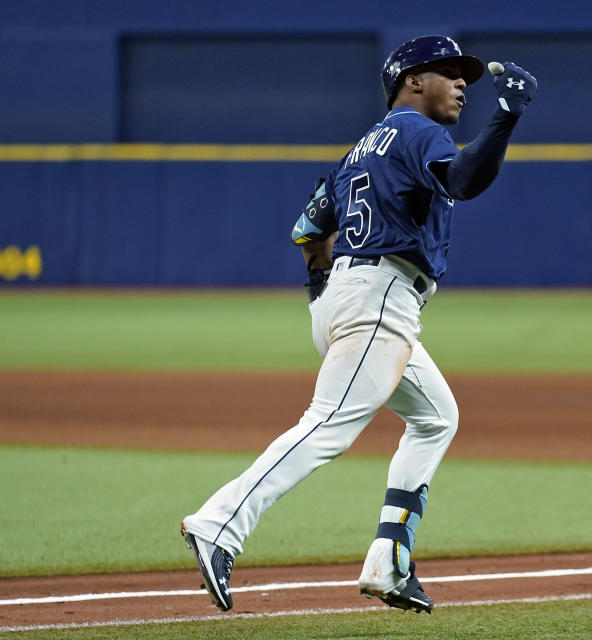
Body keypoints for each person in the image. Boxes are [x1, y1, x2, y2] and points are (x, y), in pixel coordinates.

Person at [180, 35, 537, 614]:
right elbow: (464, 181)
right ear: (411, 81)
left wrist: (328, 292)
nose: (462, 82)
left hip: (353, 296)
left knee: (436, 418)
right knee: (327, 427)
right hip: (380, 296)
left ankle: (388, 560)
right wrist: (506, 117)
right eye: (448, 72)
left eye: (464, 74)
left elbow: (306, 229)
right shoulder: (420, 131)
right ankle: (218, 523)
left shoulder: (360, 150)